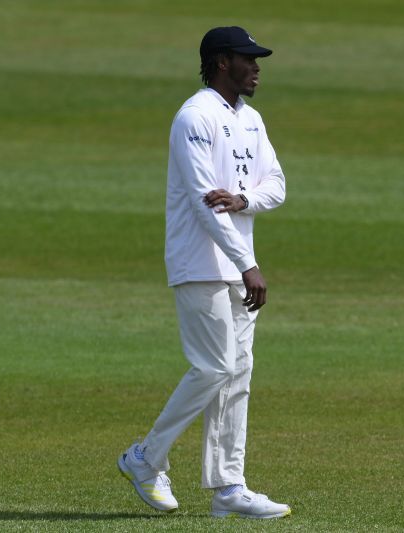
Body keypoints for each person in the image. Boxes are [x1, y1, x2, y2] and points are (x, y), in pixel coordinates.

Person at [117, 26, 289, 520]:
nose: (256, 67)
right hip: (200, 264)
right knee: (214, 367)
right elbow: (201, 204)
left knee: (237, 374)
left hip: (238, 268)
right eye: (247, 59)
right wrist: (248, 264)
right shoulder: (193, 118)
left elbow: (275, 185)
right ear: (220, 63)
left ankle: (228, 488)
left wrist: (244, 199)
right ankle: (145, 458)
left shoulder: (251, 119)